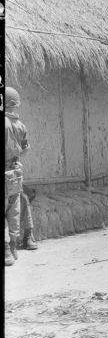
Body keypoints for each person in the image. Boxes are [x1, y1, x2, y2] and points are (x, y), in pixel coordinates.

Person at [5, 87, 30, 266]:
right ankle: (13, 248)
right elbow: (26, 149)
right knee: (14, 211)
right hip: (15, 173)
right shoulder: (20, 125)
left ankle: (5, 250)